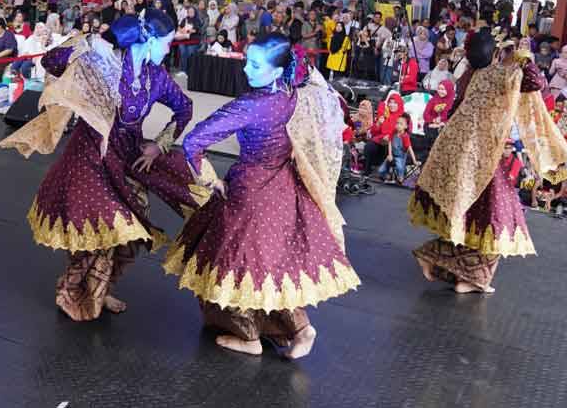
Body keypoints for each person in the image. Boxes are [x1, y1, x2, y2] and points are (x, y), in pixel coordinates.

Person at [0, 9, 208, 322]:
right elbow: (52, 60)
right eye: (165, 42)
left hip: (128, 156)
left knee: (133, 234)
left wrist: (159, 145)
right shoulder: (104, 60)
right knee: (101, 228)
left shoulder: (157, 77)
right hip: (90, 154)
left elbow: (184, 108)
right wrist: (101, 39)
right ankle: (71, 291)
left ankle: (101, 287)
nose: (168, 49)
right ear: (147, 40)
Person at [164, 33, 359, 359]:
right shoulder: (299, 96)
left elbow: (193, 142)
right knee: (273, 269)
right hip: (286, 191)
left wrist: (210, 179)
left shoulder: (250, 105)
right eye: (247, 62)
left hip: (250, 193)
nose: (247, 71)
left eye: (256, 65)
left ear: (275, 70)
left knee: (231, 266)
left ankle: (250, 337)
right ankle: (301, 329)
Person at [409, 34, 567, 294]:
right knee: (499, 217)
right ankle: (455, 268)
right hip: (480, 157)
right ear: (498, 53)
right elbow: (535, 82)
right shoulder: (502, 75)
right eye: (508, 50)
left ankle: (457, 271)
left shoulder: (473, 75)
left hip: (459, 151)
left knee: (474, 215)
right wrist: (525, 58)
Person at [363, 91, 405, 174]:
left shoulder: (403, 117)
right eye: (390, 102)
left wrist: (391, 137)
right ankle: (367, 170)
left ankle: (385, 172)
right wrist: (378, 123)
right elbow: (373, 132)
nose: (391, 105)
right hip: (381, 140)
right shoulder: (385, 115)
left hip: (394, 143)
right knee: (370, 146)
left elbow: (405, 132)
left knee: (388, 145)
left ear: (399, 104)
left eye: (395, 103)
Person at [378, 114, 418, 183]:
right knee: (381, 170)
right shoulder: (393, 132)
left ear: (406, 126)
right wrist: (390, 154)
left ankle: (401, 177)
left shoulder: (405, 136)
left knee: (400, 167)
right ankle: (387, 176)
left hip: (401, 156)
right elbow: (390, 142)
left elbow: (410, 149)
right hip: (392, 155)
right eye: (397, 123)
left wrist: (414, 160)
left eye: (401, 124)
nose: (398, 125)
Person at [422, 79, 455, 148]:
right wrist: (434, 120)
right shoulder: (433, 100)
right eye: (439, 89)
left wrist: (441, 123)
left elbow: (451, 117)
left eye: (443, 89)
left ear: (448, 90)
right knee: (432, 134)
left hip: (445, 125)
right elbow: (425, 115)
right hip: (430, 124)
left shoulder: (452, 102)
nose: (440, 91)